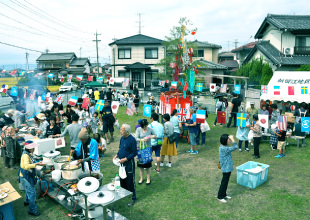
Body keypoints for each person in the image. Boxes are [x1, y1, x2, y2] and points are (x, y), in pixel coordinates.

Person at [113, 124, 137, 206]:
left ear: (127, 132)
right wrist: (117, 155)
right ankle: (125, 194)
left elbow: (134, 153)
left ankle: (133, 197)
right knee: (122, 179)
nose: (120, 131)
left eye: (122, 130)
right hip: (121, 164)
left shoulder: (132, 140)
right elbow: (121, 148)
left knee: (130, 181)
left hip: (129, 163)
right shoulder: (122, 138)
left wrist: (126, 159)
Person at [18, 141, 43, 216]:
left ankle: (26, 201)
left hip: (24, 176)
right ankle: (32, 210)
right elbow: (26, 166)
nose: (34, 148)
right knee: (32, 193)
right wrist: (36, 164)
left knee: (28, 190)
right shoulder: (25, 155)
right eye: (33, 147)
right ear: (29, 148)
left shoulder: (27, 153)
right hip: (25, 176)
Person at [135, 119, 157, 185]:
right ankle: (141, 178)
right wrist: (142, 139)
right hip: (140, 149)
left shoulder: (150, 129)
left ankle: (148, 179)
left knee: (148, 165)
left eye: (145, 126)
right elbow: (136, 138)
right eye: (143, 126)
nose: (144, 128)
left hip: (148, 149)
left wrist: (150, 136)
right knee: (140, 165)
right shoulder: (138, 129)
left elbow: (155, 136)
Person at [217, 134, 237, 203]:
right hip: (226, 168)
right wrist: (233, 139)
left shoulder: (222, 147)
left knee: (226, 182)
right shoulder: (224, 148)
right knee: (224, 182)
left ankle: (224, 194)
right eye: (228, 139)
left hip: (227, 167)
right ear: (225, 140)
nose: (229, 140)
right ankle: (220, 196)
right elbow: (235, 147)